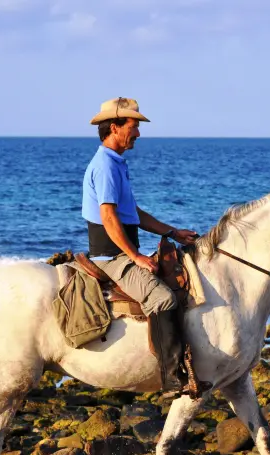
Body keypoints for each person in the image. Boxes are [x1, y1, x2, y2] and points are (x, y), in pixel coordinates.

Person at [83, 97, 197, 389]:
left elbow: (133, 214)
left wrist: (172, 232)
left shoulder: (115, 163)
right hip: (111, 257)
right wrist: (134, 256)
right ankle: (172, 378)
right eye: (132, 127)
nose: (137, 134)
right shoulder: (106, 166)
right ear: (114, 127)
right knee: (163, 298)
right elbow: (108, 217)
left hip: (121, 252)